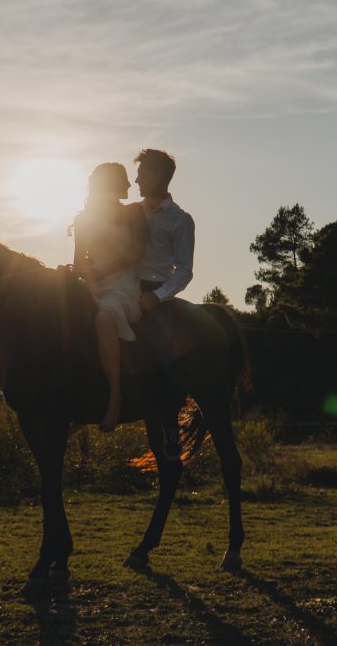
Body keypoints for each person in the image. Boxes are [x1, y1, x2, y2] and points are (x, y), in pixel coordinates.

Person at [72, 163, 149, 431]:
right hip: (93, 283)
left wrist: (100, 271)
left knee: (104, 317)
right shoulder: (83, 219)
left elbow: (135, 254)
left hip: (123, 285)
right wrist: (82, 274)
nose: (126, 186)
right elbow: (78, 260)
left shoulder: (134, 213)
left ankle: (115, 396)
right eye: (120, 181)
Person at [133, 149, 195, 459]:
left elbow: (184, 270)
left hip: (155, 290)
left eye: (142, 174)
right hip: (122, 284)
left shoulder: (180, 220)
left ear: (159, 177)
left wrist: (156, 297)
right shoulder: (130, 212)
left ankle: (171, 424)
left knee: (162, 351)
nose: (137, 180)